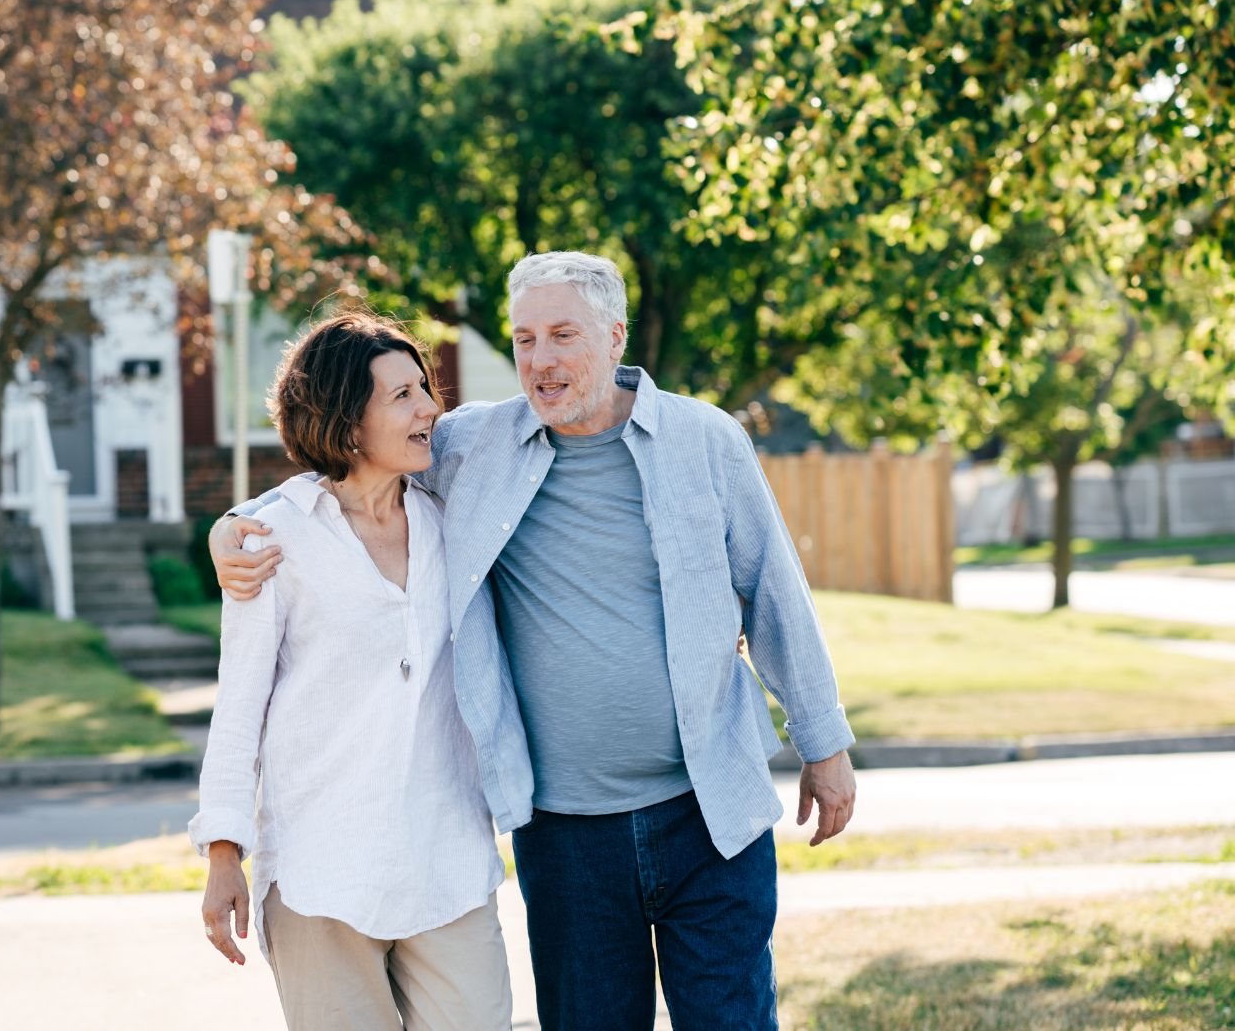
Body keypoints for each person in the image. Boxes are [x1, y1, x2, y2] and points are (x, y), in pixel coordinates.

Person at [212, 251, 858, 1030]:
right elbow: (345, 463)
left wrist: (823, 745)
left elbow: (774, 592)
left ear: (616, 336)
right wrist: (232, 527)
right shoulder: (469, 446)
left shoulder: (705, 441)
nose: (540, 362)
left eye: (562, 335)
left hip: (709, 814)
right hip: (565, 834)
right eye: (523, 340)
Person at [189, 306, 512, 1030]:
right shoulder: (272, 538)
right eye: (403, 395)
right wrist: (222, 855)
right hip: (320, 876)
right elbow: (238, 710)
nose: (431, 407)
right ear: (347, 420)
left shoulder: (450, 519)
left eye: (424, 388)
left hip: (448, 866)